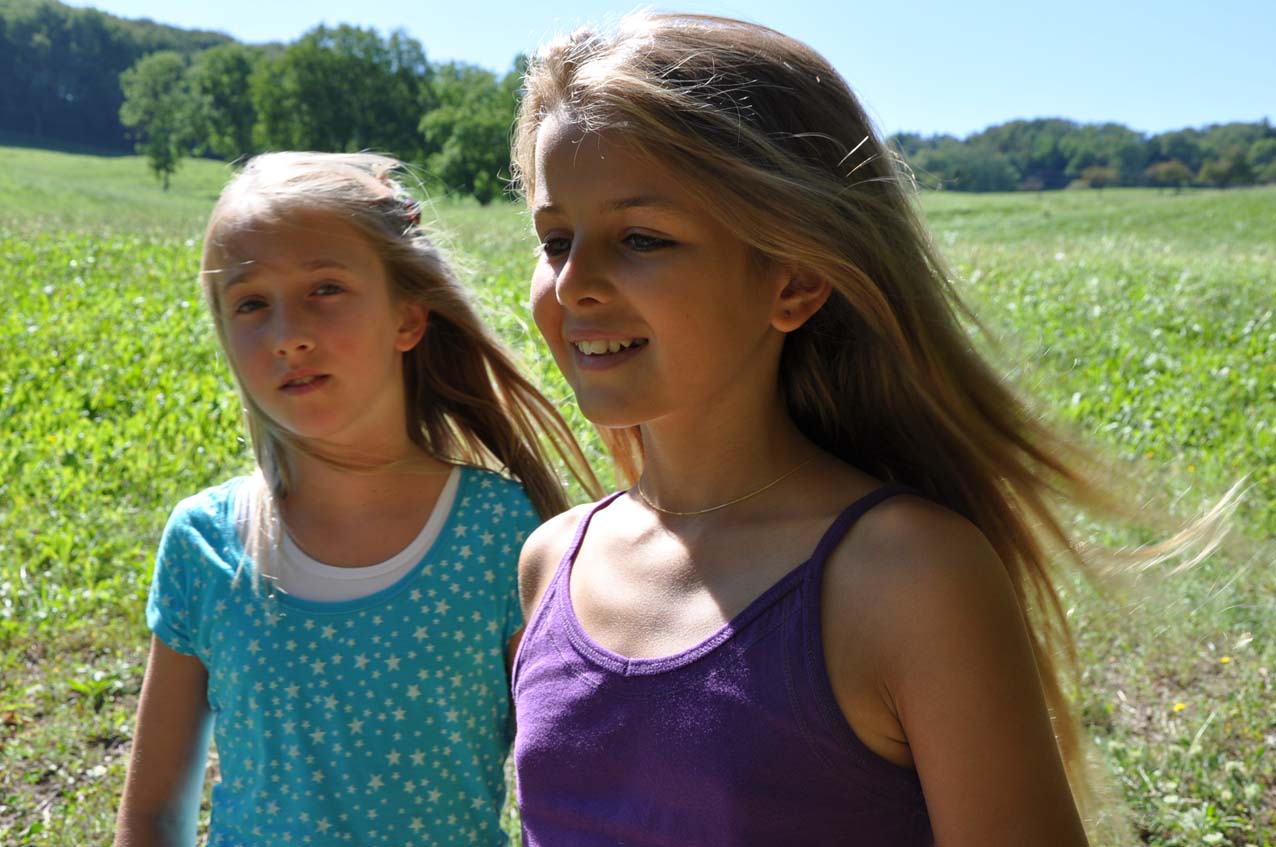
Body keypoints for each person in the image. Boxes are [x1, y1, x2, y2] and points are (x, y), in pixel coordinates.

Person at [507, 13, 1223, 846]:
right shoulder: (552, 562)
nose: (574, 283)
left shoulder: (906, 578)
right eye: (556, 239)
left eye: (641, 238)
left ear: (796, 283)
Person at [113, 151, 596, 847]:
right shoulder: (203, 543)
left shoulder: (501, 534)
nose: (288, 335)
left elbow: (570, 797)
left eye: (326, 289)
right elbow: (155, 815)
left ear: (407, 317)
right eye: (251, 303)